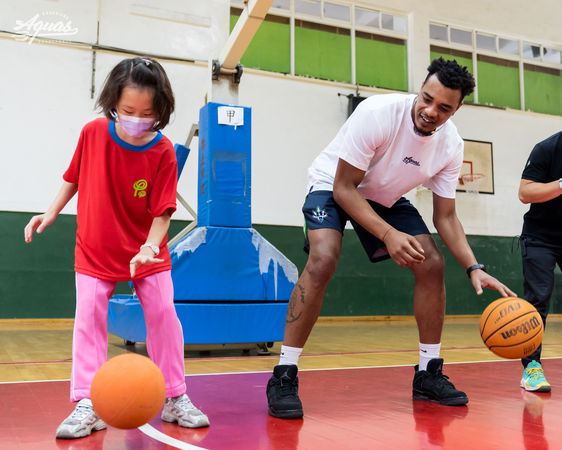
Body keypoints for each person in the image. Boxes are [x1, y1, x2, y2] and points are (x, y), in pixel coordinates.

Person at [266, 57, 516, 419]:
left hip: (384, 197)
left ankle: (428, 373)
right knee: (324, 259)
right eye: (426, 98)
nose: (430, 111)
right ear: (421, 88)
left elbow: (445, 216)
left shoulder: (451, 145)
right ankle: (284, 374)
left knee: (431, 263)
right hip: (333, 184)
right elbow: (344, 189)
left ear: (457, 109)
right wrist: (388, 234)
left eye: (444, 107)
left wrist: (474, 266)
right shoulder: (379, 113)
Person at [24, 57, 210, 439]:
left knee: (163, 316)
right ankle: (89, 403)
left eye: (147, 113)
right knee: (89, 320)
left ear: (161, 111)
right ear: (113, 103)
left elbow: (163, 211)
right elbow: (72, 178)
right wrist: (50, 212)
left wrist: (148, 248)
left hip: (147, 253)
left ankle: (176, 397)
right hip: (94, 248)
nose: (137, 119)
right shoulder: (93, 133)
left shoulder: (163, 153)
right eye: (128, 111)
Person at [518, 131, 562, 393]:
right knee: (538, 301)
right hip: (540, 237)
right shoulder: (547, 148)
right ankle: (531, 368)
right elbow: (525, 192)